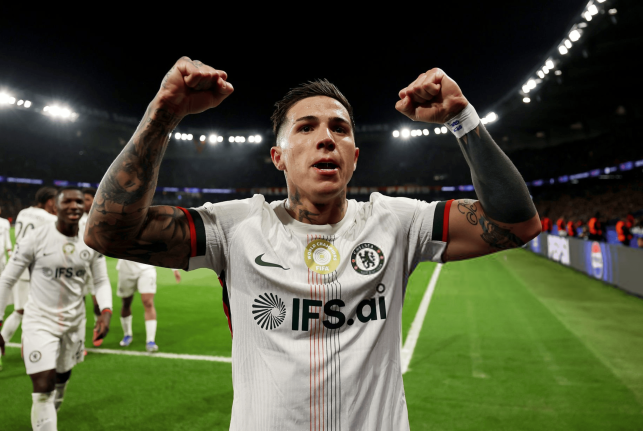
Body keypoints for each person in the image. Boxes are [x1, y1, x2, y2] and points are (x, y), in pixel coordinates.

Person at [83, 58, 541, 430]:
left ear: (354, 157)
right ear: (278, 157)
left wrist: (461, 117)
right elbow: (107, 232)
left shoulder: (397, 222)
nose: (326, 138)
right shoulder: (236, 226)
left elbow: (516, 224)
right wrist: (163, 114)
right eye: (306, 128)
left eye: (339, 129)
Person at [0, 187, 113, 431]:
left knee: (62, 377)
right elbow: (6, 280)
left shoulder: (91, 239)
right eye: (67, 201)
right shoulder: (35, 238)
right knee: (43, 387)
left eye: (78, 202)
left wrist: (106, 311)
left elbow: (101, 280)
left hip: (75, 322)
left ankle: (49, 414)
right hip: (39, 322)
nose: (74, 206)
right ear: (56, 206)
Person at [0, 187, 59, 362]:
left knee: (20, 311)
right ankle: (32, 351)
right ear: (49, 201)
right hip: (37, 271)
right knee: (40, 313)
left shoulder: (23, 213)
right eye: (56, 201)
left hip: (18, 266)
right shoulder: (50, 219)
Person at [116, 259, 181, 352]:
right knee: (126, 303)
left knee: (148, 303)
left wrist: (174, 269)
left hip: (147, 268)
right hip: (126, 269)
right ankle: (127, 334)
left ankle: (150, 341)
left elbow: (164, 249)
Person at [79, 187, 103, 345]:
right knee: (78, 304)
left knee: (97, 303)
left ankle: (98, 328)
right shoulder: (75, 218)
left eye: (87, 199)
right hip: (78, 268)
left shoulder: (99, 218)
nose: (83, 203)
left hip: (93, 267)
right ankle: (78, 340)